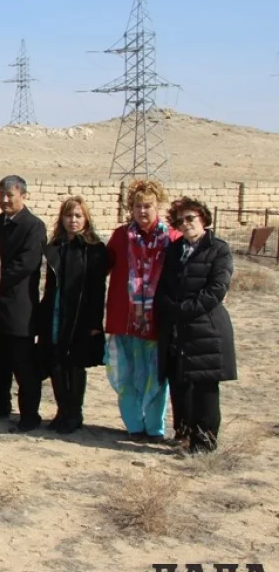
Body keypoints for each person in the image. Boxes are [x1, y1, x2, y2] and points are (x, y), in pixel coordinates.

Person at [157, 197, 236, 455]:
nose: (186, 223)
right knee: (180, 383)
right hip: (177, 329)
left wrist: (185, 310)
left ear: (203, 218)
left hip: (206, 328)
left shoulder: (219, 250)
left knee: (205, 387)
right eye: (180, 220)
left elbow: (216, 289)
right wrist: (168, 307)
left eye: (190, 218)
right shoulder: (174, 249)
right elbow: (165, 285)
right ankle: (185, 434)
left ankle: (204, 443)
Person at [105, 179, 180, 442]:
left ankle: (155, 428)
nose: (143, 211)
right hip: (124, 320)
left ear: (157, 205)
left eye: (148, 205)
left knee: (156, 378)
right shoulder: (120, 236)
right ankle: (134, 425)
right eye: (137, 206)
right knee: (126, 376)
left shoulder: (172, 239)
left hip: (156, 322)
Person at [37, 197, 107, 434]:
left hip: (80, 315)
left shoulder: (95, 250)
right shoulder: (56, 246)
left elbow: (98, 289)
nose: (73, 220)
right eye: (69, 216)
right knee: (55, 362)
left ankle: (74, 413)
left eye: (78, 216)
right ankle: (61, 410)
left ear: (86, 219)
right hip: (56, 312)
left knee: (75, 364)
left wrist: (95, 322)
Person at [0, 175, 48, 431]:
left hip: (20, 307)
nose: (4, 199)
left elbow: (25, 265)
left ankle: (29, 415)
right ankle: (0, 404)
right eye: (1, 194)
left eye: (10, 195)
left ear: (23, 195)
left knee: (23, 365)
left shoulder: (33, 226)